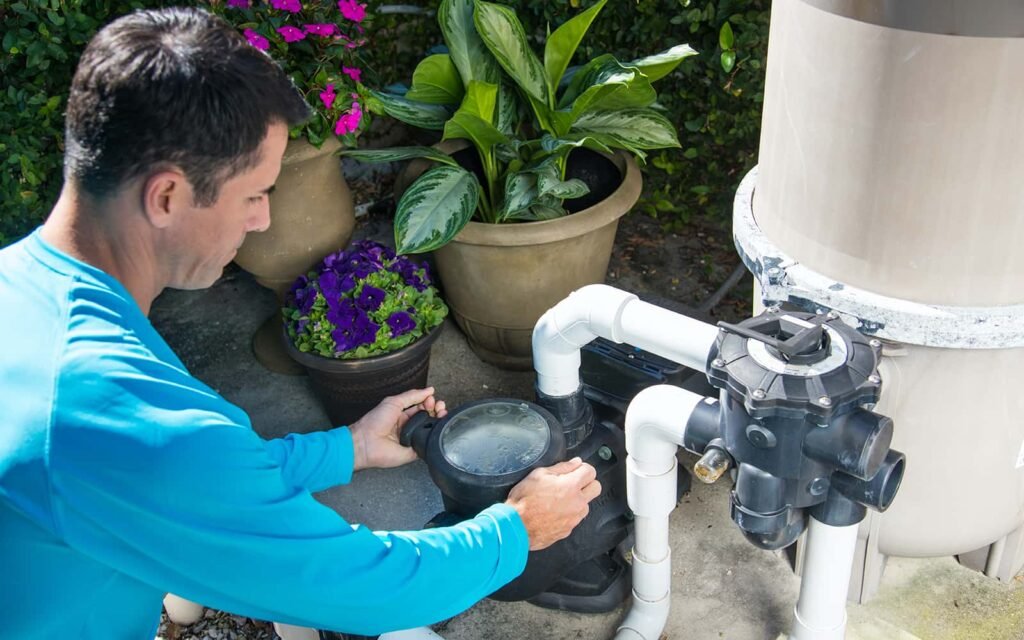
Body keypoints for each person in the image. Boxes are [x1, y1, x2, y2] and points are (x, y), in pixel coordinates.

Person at [0, 7, 601, 639]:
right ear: (167, 196)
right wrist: (514, 529)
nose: (261, 220)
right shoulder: (111, 410)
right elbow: (358, 586)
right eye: (255, 193)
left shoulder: (31, 294)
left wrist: (347, 449)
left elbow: (192, 478)